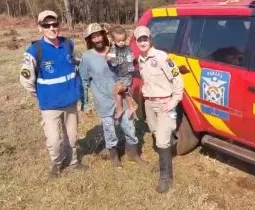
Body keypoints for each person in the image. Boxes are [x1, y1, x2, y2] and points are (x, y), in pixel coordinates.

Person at [20, 10, 87, 178]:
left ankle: (73, 162)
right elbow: (26, 80)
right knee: (54, 140)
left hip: (70, 102)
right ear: (40, 27)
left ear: (59, 24)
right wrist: (41, 96)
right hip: (49, 106)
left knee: (71, 138)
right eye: (46, 25)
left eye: (54, 24)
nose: (52, 28)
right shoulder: (35, 50)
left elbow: (81, 63)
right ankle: (57, 163)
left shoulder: (69, 44)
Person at [79, 23, 148, 168]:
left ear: (104, 36)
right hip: (103, 100)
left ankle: (133, 154)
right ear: (89, 40)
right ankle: (114, 156)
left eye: (99, 35)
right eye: (93, 37)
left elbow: (129, 67)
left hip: (122, 97)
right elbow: (84, 81)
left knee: (129, 126)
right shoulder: (87, 57)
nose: (97, 39)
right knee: (109, 129)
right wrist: (85, 102)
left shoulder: (116, 50)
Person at [133, 26, 184, 193]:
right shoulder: (140, 59)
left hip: (164, 103)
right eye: (139, 39)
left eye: (145, 39)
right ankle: (165, 162)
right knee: (156, 134)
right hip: (150, 104)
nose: (142, 42)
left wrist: (174, 101)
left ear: (150, 39)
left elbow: (177, 78)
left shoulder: (162, 57)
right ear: (136, 41)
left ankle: (166, 177)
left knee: (162, 139)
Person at [106, 25, 137, 121]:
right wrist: (109, 58)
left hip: (125, 74)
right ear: (114, 40)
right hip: (119, 75)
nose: (122, 42)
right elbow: (109, 58)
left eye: (123, 40)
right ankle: (131, 107)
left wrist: (132, 58)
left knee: (118, 92)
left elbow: (132, 57)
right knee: (124, 92)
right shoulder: (113, 49)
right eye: (119, 41)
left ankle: (120, 109)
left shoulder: (127, 48)